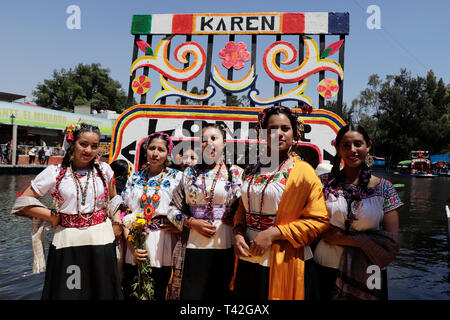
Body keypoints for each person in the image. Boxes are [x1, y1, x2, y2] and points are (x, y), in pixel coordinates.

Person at [11, 123, 124, 299]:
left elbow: (115, 199)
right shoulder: (54, 172)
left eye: (94, 146)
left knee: (102, 291)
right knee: (71, 291)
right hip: (68, 241)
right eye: (83, 144)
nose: (88, 150)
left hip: (101, 239)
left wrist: (117, 222)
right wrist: (51, 216)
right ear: (72, 144)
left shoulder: (105, 170)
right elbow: (23, 202)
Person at [232, 106, 329, 300]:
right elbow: (242, 208)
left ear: (295, 133)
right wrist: (237, 233)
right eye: (272, 129)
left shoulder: (304, 172)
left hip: (285, 257)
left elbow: (319, 221)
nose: (279, 134)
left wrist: (273, 233)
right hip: (249, 254)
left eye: (285, 128)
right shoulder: (251, 168)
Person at [314, 124, 403, 300]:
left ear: (368, 146)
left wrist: (344, 239)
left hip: (370, 270)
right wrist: (364, 240)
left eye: (358, 144)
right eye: (346, 145)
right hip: (327, 267)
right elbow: (313, 224)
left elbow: (391, 243)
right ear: (338, 148)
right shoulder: (322, 183)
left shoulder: (384, 188)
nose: (352, 150)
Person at [166, 123, 244, 300]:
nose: (208, 143)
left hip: (227, 245)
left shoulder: (237, 174)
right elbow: (171, 209)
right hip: (194, 245)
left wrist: (237, 217)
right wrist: (191, 222)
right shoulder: (189, 174)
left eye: (213, 138)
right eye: (203, 140)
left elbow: (245, 209)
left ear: (224, 143)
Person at [121, 133, 183, 300]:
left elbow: (186, 208)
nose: (155, 153)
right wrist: (130, 242)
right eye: (152, 148)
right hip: (135, 238)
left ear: (168, 153)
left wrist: (178, 225)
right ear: (146, 150)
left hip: (162, 240)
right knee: (133, 287)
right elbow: (125, 210)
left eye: (161, 149)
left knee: (158, 288)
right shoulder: (135, 177)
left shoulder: (177, 177)